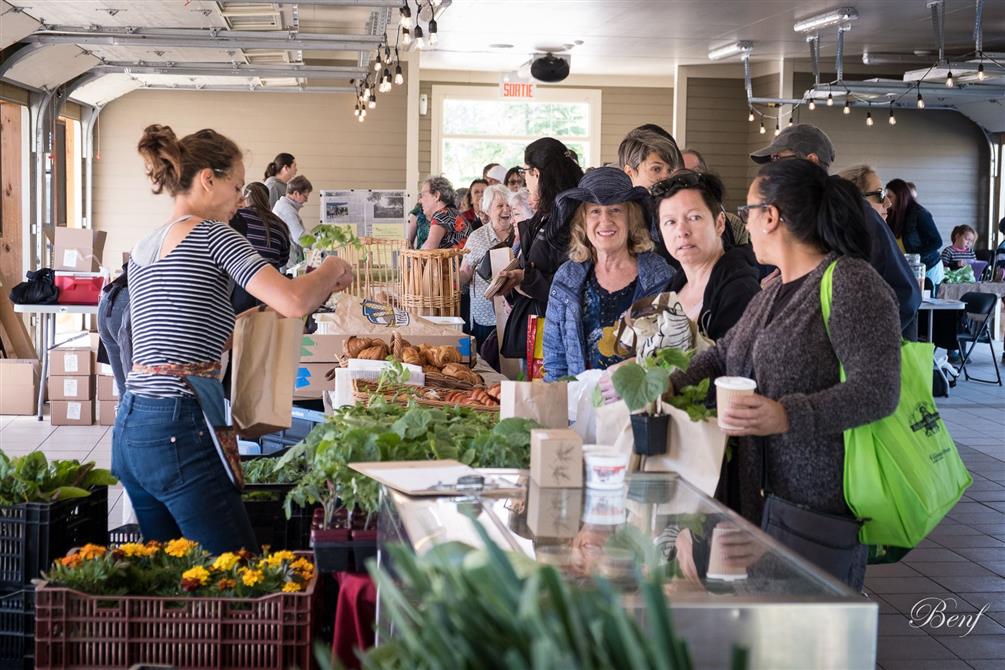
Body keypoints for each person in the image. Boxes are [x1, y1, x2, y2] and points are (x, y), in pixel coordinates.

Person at [118, 125, 352, 553]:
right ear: (208, 178)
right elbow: (295, 300)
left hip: (133, 425)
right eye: (238, 186)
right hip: (179, 425)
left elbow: (194, 336)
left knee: (170, 578)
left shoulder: (144, 247)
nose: (243, 200)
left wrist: (262, 313)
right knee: (234, 575)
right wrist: (333, 267)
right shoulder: (213, 234)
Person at [668, 158, 901, 588]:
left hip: (811, 513)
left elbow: (879, 390)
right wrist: (668, 382)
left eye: (748, 213)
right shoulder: (773, 287)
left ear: (770, 216)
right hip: (757, 506)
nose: (748, 224)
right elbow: (724, 354)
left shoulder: (851, 282)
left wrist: (787, 414)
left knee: (804, 644)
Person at [750, 124, 920, 337]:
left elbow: (906, 293)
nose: (769, 171)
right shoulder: (783, 218)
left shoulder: (855, 213)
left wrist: (854, 346)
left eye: (778, 159)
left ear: (811, 161)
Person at [543, 167, 673, 380]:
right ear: (583, 221)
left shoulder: (660, 276)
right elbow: (555, 361)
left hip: (640, 406)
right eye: (595, 211)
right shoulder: (566, 277)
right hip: (581, 406)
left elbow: (672, 353)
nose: (605, 220)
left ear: (631, 217)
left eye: (615, 210)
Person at [496, 138, 584, 359]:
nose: (525, 179)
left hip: (553, 326)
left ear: (536, 173)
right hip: (539, 320)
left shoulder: (566, 212)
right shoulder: (550, 211)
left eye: (525, 172)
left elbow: (570, 278)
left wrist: (523, 278)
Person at [651, 171, 761, 340]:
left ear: (719, 223)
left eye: (694, 217)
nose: (682, 231)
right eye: (670, 222)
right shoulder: (674, 286)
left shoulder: (740, 292)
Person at [618, 127, 684, 267]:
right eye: (656, 169)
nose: (666, 177)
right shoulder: (618, 214)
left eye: (670, 170)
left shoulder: (678, 210)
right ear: (629, 171)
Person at [460, 184, 515, 347]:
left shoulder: (520, 234)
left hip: (514, 312)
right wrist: (449, 273)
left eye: (509, 205)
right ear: (488, 210)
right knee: (486, 362)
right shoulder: (477, 237)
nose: (506, 210)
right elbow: (465, 273)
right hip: (485, 315)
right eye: (500, 205)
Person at [886, 178, 944, 285]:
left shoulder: (920, 213)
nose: (887, 200)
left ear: (900, 196)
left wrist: (914, 258)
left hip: (929, 268)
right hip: (909, 270)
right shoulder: (892, 214)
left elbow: (937, 242)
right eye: (885, 196)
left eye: (890, 196)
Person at [273, 175, 312, 263]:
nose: (306, 200)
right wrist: (318, 244)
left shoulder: (282, 206)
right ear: (295, 193)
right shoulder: (287, 210)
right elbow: (300, 237)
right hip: (288, 260)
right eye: (305, 197)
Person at [420, 175, 466, 249]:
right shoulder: (452, 212)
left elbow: (427, 251)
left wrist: (410, 260)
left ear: (436, 195)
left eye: (423, 195)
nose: (420, 200)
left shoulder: (442, 215)